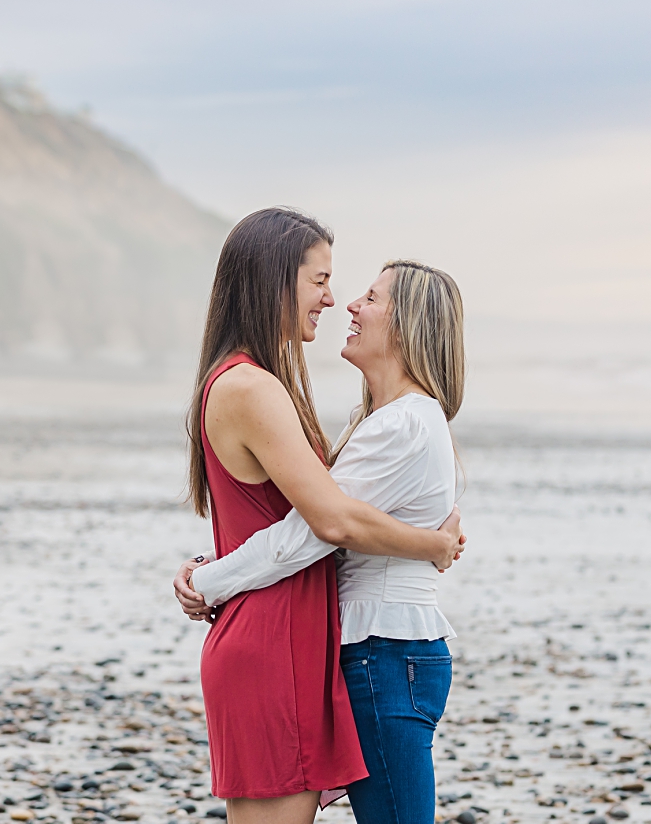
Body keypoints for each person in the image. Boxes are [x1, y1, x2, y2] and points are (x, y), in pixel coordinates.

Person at [181, 208, 464, 824]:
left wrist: (211, 574)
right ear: (277, 280)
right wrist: (430, 544)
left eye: (359, 291)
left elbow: (312, 520)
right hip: (275, 636)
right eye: (321, 281)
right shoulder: (252, 387)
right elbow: (327, 521)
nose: (336, 301)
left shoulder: (367, 413)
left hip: (299, 634)